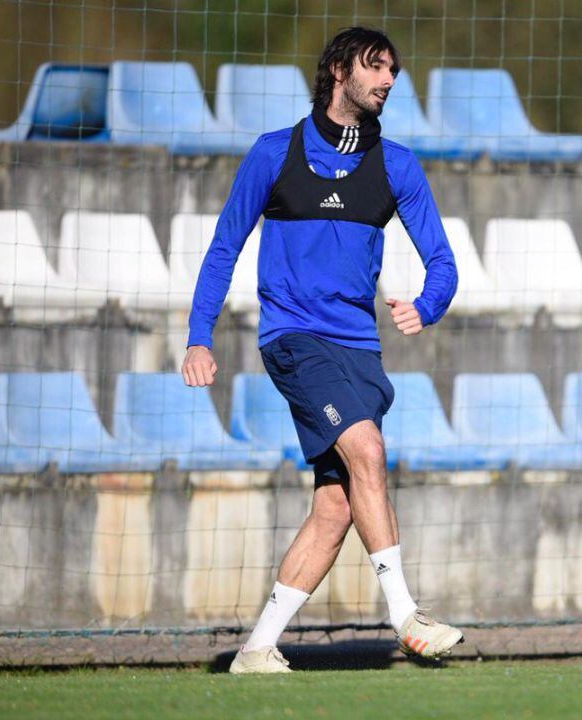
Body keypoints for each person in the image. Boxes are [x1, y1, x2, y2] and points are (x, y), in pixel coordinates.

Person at [182, 26, 461, 674]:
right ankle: (406, 618)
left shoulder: (398, 165)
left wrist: (426, 305)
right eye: (376, 68)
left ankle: (255, 650)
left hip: (359, 352)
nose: (389, 81)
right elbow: (224, 248)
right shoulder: (272, 154)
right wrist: (199, 336)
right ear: (339, 70)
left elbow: (442, 261)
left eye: (394, 71)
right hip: (294, 340)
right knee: (366, 449)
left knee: (336, 506)